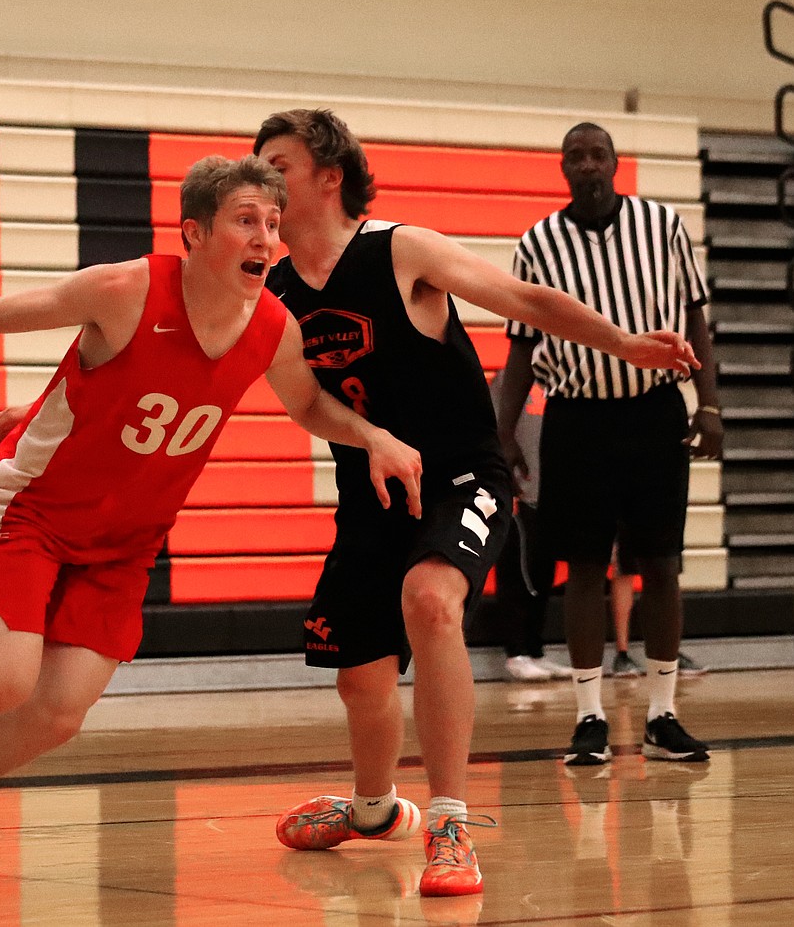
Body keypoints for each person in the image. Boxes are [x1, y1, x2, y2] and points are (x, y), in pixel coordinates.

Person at [0, 154, 427, 889]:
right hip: (35, 509)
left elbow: (308, 406)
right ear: (194, 234)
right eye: (245, 221)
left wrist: (375, 436)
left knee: (55, 716)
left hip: (126, 544)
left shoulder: (272, 327)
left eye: (271, 222)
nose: (265, 238)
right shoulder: (125, 290)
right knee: (2, 686)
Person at [252, 109, 697, 899]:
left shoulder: (400, 251)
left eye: (278, 164)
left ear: (329, 176)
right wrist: (371, 439)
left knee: (431, 599)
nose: (266, 181)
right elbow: (305, 405)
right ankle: (374, 810)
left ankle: (452, 824)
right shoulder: (276, 291)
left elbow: (525, 298)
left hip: (461, 475)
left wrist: (625, 344)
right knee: (360, 680)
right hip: (372, 493)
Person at [496, 122, 722, 768]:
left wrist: (709, 404)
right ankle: (589, 717)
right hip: (576, 419)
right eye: (576, 156)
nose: (588, 165)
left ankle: (663, 715)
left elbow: (697, 318)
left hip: (654, 412)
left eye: (598, 154)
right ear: (563, 168)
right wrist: (506, 432)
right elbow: (520, 348)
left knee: (661, 564)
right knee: (586, 569)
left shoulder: (663, 224)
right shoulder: (538, 242)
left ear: (615, 164)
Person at [487, 372, 571, 682]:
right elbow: (493, 431)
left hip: (550, 497)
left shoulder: (559, 382)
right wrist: (507, 483)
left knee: (543, 574)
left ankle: (535, 650)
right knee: (515, 573)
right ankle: (516, 652)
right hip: (518, 494)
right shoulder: (506, 383)